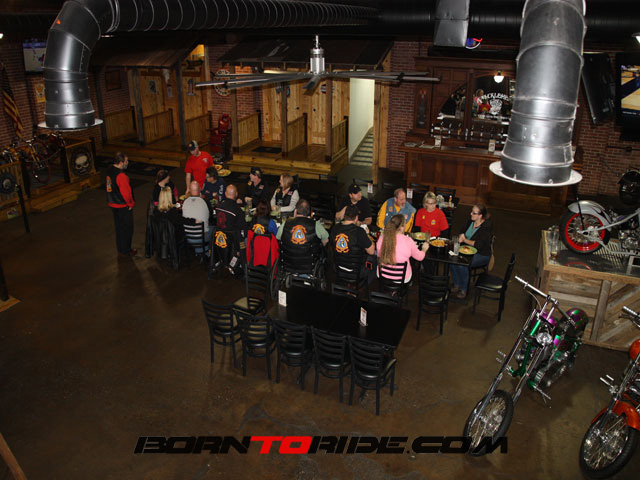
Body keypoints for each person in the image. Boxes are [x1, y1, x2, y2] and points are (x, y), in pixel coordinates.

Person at [450, 204, 493, 299]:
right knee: (452, 260)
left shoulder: (486, 227)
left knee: (462, 264)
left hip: (481, 254)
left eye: (474, 213)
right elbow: (461, 231)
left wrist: (464, 240)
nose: (471, 214)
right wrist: (461, 236)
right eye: (471, 212)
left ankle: (463, 289)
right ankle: (457, 283)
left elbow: (478, 245)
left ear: (480, 216)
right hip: (466, 250)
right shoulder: (470, 221)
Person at [376, 214, 428, 283]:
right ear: (402, 227)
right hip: (401, 278)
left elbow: (378, 254)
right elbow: (420, 257)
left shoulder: (382, 237)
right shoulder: (408, 240)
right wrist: (424, 249)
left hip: (382, 275)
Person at [331, 204, 376, 283]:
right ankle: (365, 285)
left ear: (344, 216)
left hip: (338, 268)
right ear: (356, 218)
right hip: (356, 271)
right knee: (374, 259)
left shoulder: (335, 228)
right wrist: (367, 234)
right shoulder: (359, 231)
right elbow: (371, 251)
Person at [106, 152, 136, 256]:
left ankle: (120, 248)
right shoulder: (121, 176)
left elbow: (109, 187)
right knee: (127, 229)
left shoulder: (109, 170)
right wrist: (130, 204)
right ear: (121, 162)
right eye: (126, 161)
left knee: (119, 228)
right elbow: (126, 193)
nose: (128, 163)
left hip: (112, 203)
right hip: (122, 206)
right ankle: (126, 249)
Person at [182, 180, 213, 254]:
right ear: (200, 189)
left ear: (190, 190)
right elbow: (210, 216)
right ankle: (207, 252)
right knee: (214, 228)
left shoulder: (185, 202)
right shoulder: (205, 202)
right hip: (202, 238)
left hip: (188, 238)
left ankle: (199, 251)